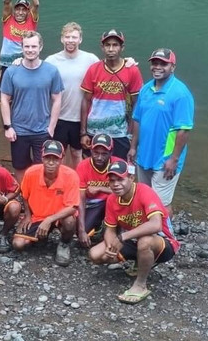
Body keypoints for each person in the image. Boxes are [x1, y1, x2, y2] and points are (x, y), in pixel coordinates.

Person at [89, 158, 179, 305]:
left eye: (120, 179)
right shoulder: (112, 199)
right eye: (112, 181)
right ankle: (139, 262)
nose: (116, 184)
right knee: (96, 255)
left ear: (131, 178)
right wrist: (111, 245)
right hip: (133, 240)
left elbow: (156, 225)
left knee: (145, 241)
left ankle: (140, 285)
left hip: (163, 242)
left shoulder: (144, 191)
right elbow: (110, 229)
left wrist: (122, 237)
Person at [129, 48, 194, 210]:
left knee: (161, 205)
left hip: (165, 159)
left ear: (173, 67)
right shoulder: (146, 89)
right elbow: (137, 119)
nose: (157, 67)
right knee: (145, 197)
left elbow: (184, 130)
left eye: (163, 64)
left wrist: (174, 159)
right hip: (144, 156)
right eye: (154, 63)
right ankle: (150, 232)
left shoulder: (180, 93)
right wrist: (132, 147)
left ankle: (165, 234)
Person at [0, 32, 63, 181]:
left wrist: (52, 127)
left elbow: (57, 98)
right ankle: (24, 196)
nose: (30, 50)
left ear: (40, 47)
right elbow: (4, 98)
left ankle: (38, 196)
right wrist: (8, 127)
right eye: (26, 46)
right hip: (18, 130)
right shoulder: (11, 71)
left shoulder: (51, 71)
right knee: (20, 166)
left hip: (42, 130)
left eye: (34, 46)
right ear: (22, 48)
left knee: (41, 167)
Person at [80, 29, 142, 159]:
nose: (111, 49)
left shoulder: (132, 71)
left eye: (115, 45)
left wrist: (131, 135)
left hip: (120, 132)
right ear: (102, 48)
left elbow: (137, 105)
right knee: (95, 167)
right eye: (107, 45)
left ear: (122, 48)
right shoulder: (93, 69)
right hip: (94, 131)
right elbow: (86, 101)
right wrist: (83, 133)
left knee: (119, 170)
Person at [13, 141, 79, 265]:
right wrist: (27, 215)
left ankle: (64, 244)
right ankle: (42, 236)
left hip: (60, 216)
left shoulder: (71, 176)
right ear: (42, 157)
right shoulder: (31, 173)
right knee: (18, 244)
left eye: (55, 159)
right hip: (37, 216)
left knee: (70, 221)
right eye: (47, 158)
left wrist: (49, 220)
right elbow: (25, 195)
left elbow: (73, 207)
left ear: (62, 159)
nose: (51, 163)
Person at [46, 22, 100, 168]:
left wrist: (128, 62)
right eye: (67, 37)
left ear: (80, 39)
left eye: (74, 37)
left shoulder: (91, 59)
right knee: (59, 155)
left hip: (81, 118)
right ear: (62, 39)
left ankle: (78, 185)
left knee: (77, 153)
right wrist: (19, 62)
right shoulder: (51, 61)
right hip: (59, 117)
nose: (70, 40)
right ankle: (61, 184)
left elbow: (107, 69)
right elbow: (36, 72)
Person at [0, 0, 40, 83]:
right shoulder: (8, 20)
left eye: (24, 9)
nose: (20, 12)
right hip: (7, 63)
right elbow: (6, 0)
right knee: (1, 97)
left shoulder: (31, 21)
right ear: (14, 10)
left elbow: (36, 4)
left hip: (25, 63)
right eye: (17, 9)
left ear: (27, 11)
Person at [75, 134, 114, 248]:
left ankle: (116, 233)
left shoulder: (118, 165)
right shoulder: (82, 166)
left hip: (110, 203)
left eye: (104, 153)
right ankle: (98, 228)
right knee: (82, 233)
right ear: (91, 151)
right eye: (96, 153)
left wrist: (101, 188)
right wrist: (82, 230)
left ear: (111, 153)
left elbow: (127, 192)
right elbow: (80, 199)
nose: (99, 157)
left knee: (115, 198)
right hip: (90, 205)